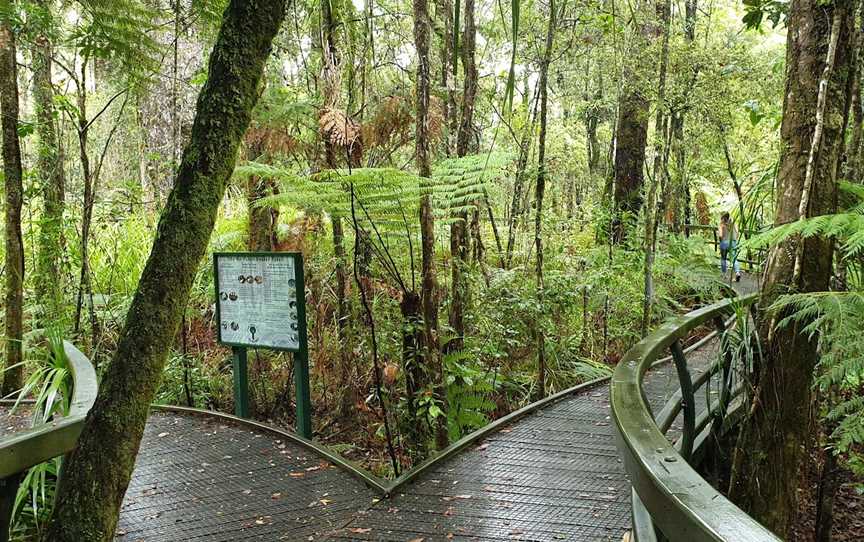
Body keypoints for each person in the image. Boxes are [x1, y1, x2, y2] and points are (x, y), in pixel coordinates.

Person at [718, 212, 741, 282]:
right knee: (734, 259)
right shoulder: (734, 223)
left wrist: (721, 241)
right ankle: (737, 272)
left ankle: (724, 275)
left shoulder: (721, 225)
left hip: (724, 243)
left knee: (723, 259)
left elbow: (720, 235)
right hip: (733, 243)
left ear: (722, 217)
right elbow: (737, 233)